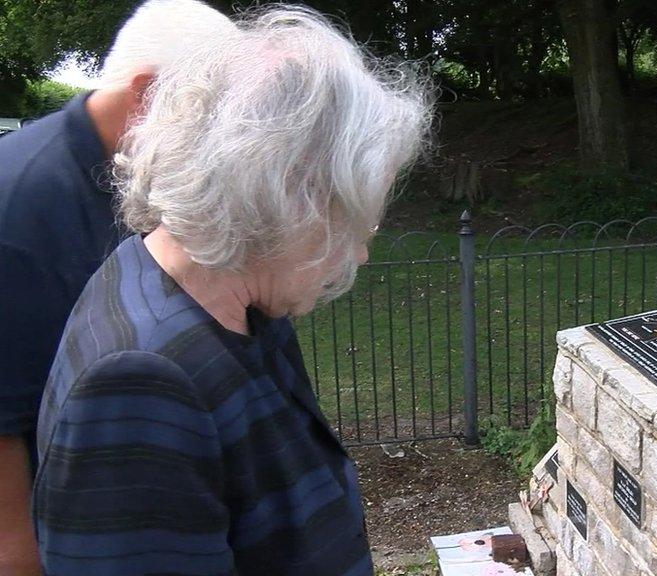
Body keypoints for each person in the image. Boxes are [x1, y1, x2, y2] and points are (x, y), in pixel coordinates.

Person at [32, 5, 432, 575]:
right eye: (357, 222)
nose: (361, 253)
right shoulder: (138, 383)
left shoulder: (230, 303)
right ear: (291, 199)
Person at [0, 2, 236, 574]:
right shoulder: (19, 206)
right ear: (149, 96)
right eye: (216, 116)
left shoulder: (134, 171)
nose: (226, 141)